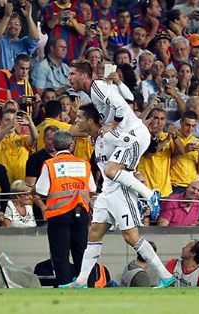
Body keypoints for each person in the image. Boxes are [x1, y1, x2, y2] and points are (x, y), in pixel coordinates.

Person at [60, 104, 175, 289]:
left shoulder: (110, 136)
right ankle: (80, 282)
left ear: (90, 120)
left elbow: (134, 142)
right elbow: (72, 130)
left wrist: (127, 158)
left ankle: (165, 275)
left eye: (80, 117)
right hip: (107, 191)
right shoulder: (96, 138)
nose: (76, 120)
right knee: (94, 233)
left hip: (122, 190)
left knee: (131, 237)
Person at [69, 60, 161, 217]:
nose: (69, 79)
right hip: (126, 137)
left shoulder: (97, 87)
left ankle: (150, 195)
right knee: (117, 175)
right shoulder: (97, 90)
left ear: (84, 76)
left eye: (72, 74)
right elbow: (129, 97)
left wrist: (110, 127)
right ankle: (137, 201)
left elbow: (120, 108)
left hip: (133, 136)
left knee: (111, 171)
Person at [35, 130, 96, 287]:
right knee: (82, 252)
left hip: (58, 214)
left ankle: (64, 285)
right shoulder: (84, 164)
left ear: (54, 146)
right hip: (80, 212)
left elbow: (41, 190)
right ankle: (87, 285)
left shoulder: (50, 165)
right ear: (71, 145)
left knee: (60, 254)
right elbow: (92, 189)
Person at [137, 107, 184, 198]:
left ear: (166, 121)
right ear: (150, 119)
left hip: (164, 190)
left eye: (162, 119)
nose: (159, 122)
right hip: (146, 187)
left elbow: (182, 152)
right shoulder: (143, 136)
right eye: (156, 118)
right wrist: (166, 141)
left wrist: (174, 137)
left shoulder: (168, 136)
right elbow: (148, 154)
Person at [0, 109, 37, 184]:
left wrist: (30, 124)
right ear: (0, 122)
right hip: (0, 187)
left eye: (13, 120)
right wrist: (10, 125)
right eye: (7, 120)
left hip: (20, 186)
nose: (12, 122)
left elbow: (35, 138)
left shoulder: (23, 139)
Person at [0, 2, 38, 71]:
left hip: (19, 80)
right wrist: (7, 16)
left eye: (17, 24)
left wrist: (29, 17)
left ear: (20, 28)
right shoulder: (0, 41)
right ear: (5, 26)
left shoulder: (24, 42)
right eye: (9, 23)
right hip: (2, 79)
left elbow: (35, 38)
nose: (13, 26)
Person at [26, 125, 58, 224]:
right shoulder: (35, 158)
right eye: (49, 139)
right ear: (43, 139)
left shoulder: (64, 157)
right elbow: (29, 187)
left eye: (55, 139)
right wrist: (43, 208)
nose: (52, 142)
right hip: (42, 208)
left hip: (62, 207)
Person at [170, 110, 199, 194]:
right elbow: (168, 164)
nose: (190, 129)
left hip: (193, 187)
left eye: (193, 126)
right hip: (175, 185)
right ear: (181, 122)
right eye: (187, 125)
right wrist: (184, 151)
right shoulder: (172, 139)